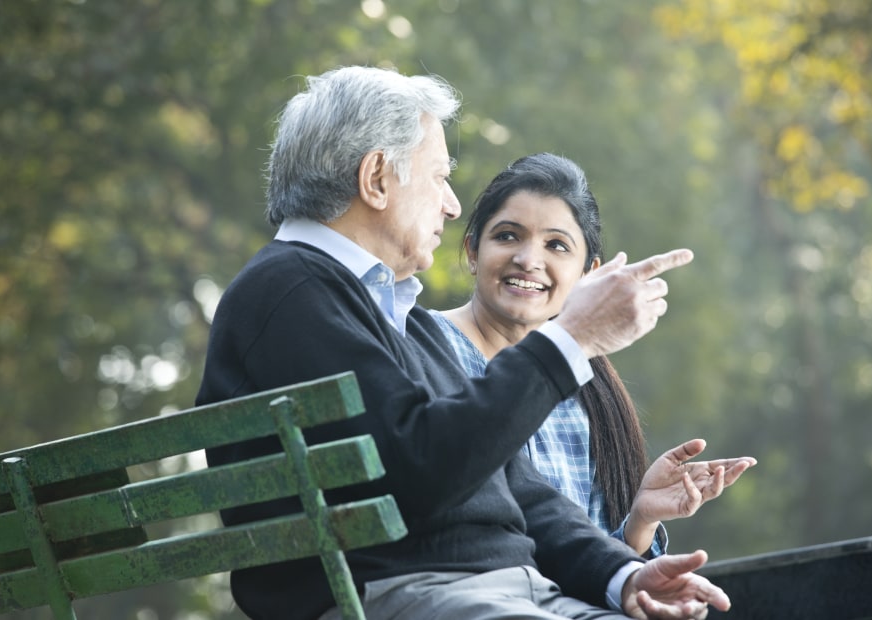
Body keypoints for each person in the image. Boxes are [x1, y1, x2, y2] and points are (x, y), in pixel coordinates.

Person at [197, 65, 730, 620]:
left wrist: (623, 574)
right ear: (376, 177)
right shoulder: (291, 288)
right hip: (412, 595)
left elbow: (518, 492)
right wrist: (570, 338)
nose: (452, 205)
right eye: (438, 177)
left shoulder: (400, 319)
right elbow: (421, 471)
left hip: (506, 593)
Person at [431, 152, 757, 557]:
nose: (529, 260)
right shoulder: (423, 344)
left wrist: (641, 519)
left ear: (590, 274)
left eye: (556, 245)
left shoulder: (585, 390)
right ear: (473, 251)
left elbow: (594, 569)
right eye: (507, 236)